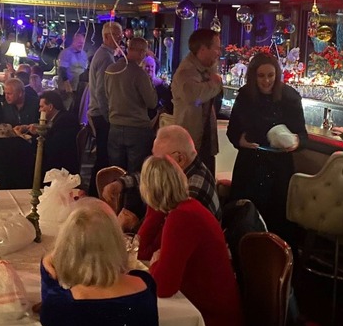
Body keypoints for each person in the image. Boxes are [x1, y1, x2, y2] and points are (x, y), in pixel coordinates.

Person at [137, 156, 243, 326]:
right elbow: (141, 250)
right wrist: (155, 208)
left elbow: (163, 287)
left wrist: (156, 264)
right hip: (209, 308)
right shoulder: (183, 208)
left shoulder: (182, 218)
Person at [41, 198, 160, 326]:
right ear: (117, 241)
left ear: (67, 249)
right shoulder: (146, 284)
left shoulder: (64, 306)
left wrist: (46, 265)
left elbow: (50, 303)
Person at [226, 52, 307, 242]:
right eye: (261, 76)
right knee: (246, 222)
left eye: (270, 75)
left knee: (277, 223)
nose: (266, 80)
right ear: (253, 76)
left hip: (278, 169)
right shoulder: (245, 96)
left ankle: (280, 266)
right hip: (250, 167)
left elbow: (303, 136)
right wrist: (240, 141)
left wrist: (296, 142)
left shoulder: (289, 97)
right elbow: (232, 131)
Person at [102, 125, 220, 231]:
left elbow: (167, 234)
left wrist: (135, 226)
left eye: (158, 161)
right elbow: (148, 177)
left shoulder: (192, 191)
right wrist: (120, 184)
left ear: (180, 159)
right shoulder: (184, 171)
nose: (153, 165)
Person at [171, 29, 223, 173]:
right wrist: (215, 83)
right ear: (203, 49)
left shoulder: (205, 68)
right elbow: (195, 97)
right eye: (216, 48)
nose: (219, 52)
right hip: (189, 141)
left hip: (203, 138)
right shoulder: (186, 72)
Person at [105, 37, 158, 175]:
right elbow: (152, 102)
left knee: (116, 173)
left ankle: (116, 197)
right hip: (137, 129)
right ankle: (131, 197)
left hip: (115, 127)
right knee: (135, 174)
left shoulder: (110, 70)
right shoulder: (139, 74)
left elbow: (105, 95)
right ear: (141, 52)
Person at [87, 21, 123, 195]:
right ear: (107, 37)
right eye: (117, 35)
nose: (121, 38)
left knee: (103, 156)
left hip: (98, 112)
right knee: (103, 157)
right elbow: (102, 91)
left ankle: (96, 193)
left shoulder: (103, 54)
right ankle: (95, 193)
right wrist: (109, 116)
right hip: (101, 114)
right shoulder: (105, 57)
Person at [15, 90, 80, 175]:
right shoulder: (57, 119)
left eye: (42, 107)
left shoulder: (66, 120)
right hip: (54, 160)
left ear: (50, 107)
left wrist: (38, 133)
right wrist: (28, 128)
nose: (39, 110)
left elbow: (55, 146)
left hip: (60, 166)